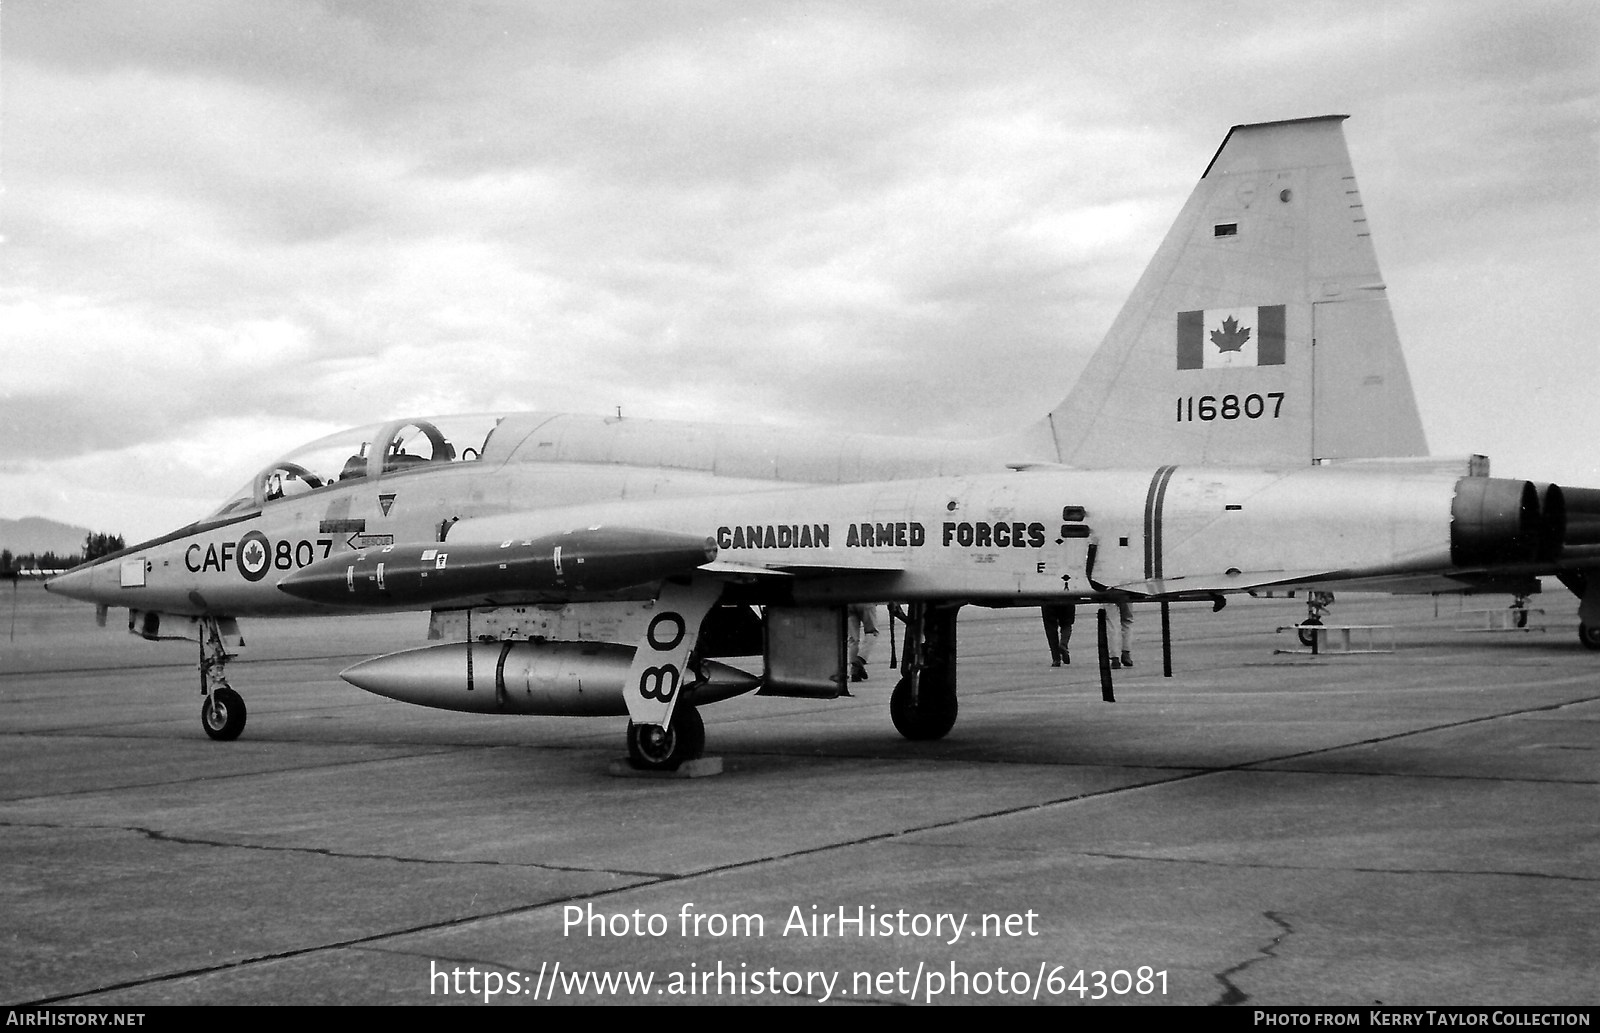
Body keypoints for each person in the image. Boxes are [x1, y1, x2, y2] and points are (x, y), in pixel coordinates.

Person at [847, 603, 880, 682]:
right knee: (872, 633)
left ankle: (854, 671)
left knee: (853, 639)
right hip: (866, 600)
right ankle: (860, 660)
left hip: (848, 602)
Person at [1104, 598, 1134, 668]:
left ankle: (1115, 658)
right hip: (1125, 592)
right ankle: (1126, 653)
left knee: (1112, 625)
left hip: (1108, 593)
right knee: (1127, 621)